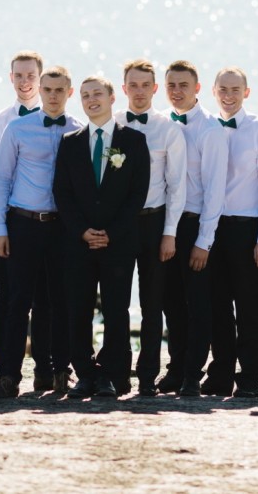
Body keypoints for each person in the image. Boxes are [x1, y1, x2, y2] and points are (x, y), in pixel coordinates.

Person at [0, 66, 84, 398]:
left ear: (69, 93)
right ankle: (7, 376)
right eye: (48, 89)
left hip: (62, 228)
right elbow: (0, 179)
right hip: (23, 223)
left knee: (60, 302)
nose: (53, 96)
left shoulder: (80, 130)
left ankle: (59, 372)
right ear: (40, 91)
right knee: (17, 302)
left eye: (59, 90)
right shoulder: (17, 128)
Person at [53, 75, 150, 398]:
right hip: (78, 243)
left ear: (111, 98)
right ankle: (84, 373)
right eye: (85, 95)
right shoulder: (70, 142)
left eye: (97, 94)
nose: (91, 100)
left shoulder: (133, 141)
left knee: (116, 310)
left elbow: (137, 194)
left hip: (118, 243)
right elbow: (62, 193)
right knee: (78, 309)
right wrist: (82, 231)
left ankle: (111, 374)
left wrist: (111, 232)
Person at [202, 67, 258, 398]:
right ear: (213, 91)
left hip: (247, 229)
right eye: (223, 89)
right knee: (217, 305)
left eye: (235, 89)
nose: (229, 95)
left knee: (249, 307)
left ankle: (249, 376)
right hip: (211, 228)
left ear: (246, 93)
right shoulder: (207, 127)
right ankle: (220, 374)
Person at [0, 51, 54, 391]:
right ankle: (6, 373)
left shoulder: (67, 123)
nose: (25, 82)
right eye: (19, 76)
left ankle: (47, 370)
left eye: (31, 75)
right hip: (15, 223)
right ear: (11, 78)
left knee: (48, 301)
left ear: (41, 78)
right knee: (10, 300)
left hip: (54, 226)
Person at [115, 58, 186, 396]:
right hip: (119, 225)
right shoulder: (112, 125)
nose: (139, 91)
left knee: (152, 305)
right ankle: (117, 372)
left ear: (155, 88)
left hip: (154, 223)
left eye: (145, 85)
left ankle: (147, 376)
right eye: (133, 85)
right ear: (124, 88)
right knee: (116, 301)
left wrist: (169, 233)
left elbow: (177, 186)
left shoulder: (168, 129)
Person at [161, 60, 227, 396]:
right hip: (166, 225)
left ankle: (192, 374)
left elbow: (215, 191)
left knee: (198, 305)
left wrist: (204, 241)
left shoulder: (210, 130)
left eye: (183, 85)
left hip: (195, 226)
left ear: (197, 88)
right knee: (171, 302)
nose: (177, 91)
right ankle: (175, 368)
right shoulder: (161, 124)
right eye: (171, 85)